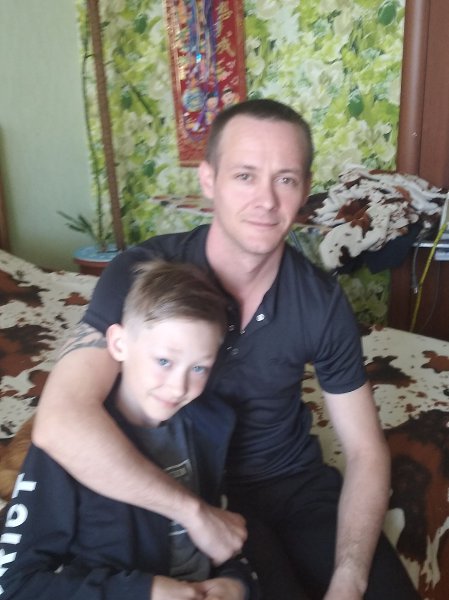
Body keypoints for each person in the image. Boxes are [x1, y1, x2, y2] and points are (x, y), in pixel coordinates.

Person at [32, 99, 419, 599]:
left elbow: (365, 450)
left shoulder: (321, 302)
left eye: (285, 179)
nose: (266, 200)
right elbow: (60, 419)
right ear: (209, 180)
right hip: (187, 481)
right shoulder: (141, 274)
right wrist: (191, 511)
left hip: (294, 481)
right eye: (245, 176)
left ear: (304, 191)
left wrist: (349, 579)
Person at [0, 261, 257, 600]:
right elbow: (17, 585)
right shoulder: (65, 449)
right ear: (119, 343)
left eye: (198, 368)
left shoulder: (211, 426)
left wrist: (235, 583)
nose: (178, 387)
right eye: (164, 361)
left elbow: (225, 529)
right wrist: (144, 591)